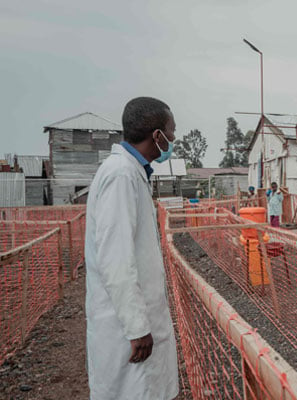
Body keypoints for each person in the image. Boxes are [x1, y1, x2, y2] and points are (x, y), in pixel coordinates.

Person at [84, 97, 178, 399]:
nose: (173, 139)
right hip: (125, 326)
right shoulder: (121, 175)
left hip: (132, 316)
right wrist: (137, 327)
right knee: (136, 391)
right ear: (157, 136)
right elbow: (115, 257)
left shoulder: (130, 173)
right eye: (171, 132)